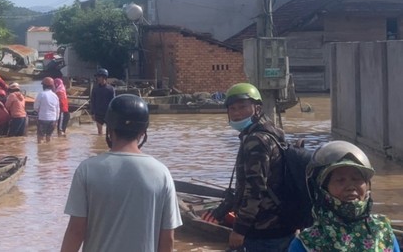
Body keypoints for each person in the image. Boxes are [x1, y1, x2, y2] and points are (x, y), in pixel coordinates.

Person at [61, 94, 182, 252]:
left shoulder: (87, 170)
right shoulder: (161, 173)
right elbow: (167, 239)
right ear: (143, 132)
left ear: (109, 129)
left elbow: (76, 232)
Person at [202, 82, 296, 251]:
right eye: (232, 109)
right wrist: (222, 210)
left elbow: (255, 190)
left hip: (264, 230)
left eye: (243, 107)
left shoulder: (256, 141)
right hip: (282, 224)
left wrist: (239, 229)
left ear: (257, 108)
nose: (237, 113)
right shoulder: (273, 133)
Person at [289, 140, 400, 252]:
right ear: (322, 189)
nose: (350, 186)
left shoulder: (383, 232)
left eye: (356, 179)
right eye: (340, 180)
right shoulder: (306, 243)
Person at [34, 76, 60, 144]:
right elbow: (58, 109)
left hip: (43, 118)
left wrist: (39, 112)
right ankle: (49, 153)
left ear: (44, 86)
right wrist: (56, 120)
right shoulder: (55, 96)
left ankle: (41, 153)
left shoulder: (41, 94)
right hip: (53, 119)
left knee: (40, 138)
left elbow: (36, 107)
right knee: (49, 138)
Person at [89, 68, 115, 135]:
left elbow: (113, 101)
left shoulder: (110, 89)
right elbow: (92, 101)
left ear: (104, 77)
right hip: (98, 113)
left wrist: (113, 113)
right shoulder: (95, 88)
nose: (97, 78)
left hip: (107, 113)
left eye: (99, 76)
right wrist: (92, 113)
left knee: (109, 132)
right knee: (99, 133)